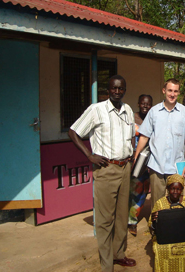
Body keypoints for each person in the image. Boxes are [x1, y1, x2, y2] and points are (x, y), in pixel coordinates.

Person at [68, 75, 136, 272]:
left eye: (121, 88)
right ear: (108, 90)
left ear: (124, 89)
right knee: (105, 220)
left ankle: (118, 254)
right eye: (114, 88)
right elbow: (73, 132)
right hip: (106, 170)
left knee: (122, 216)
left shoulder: (128, 110)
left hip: (125, 168)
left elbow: (131, 136)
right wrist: (89, 155)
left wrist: (129, 155)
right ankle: (107, 265)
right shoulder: (96, 110)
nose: (117, 91)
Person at [134, 78, 185, 209]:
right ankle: (156, 228)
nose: (172, 94)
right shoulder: (154, 112)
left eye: (175, 91)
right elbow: (144, 136)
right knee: (157, 204)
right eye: (169, 90)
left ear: (178, 93)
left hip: (177, 167)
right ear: (164, 91)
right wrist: (136, 157)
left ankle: (174, 229)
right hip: (156, 165)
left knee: (177, 203)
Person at [149, 174, 185, 272]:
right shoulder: (160, 203)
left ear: (182, 189)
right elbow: (151, 226)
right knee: (161, 248)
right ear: (167, 189)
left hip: (184, 236)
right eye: (172, 188)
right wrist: (153, 220)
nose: (175, 192)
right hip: (165, 238)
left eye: (178, 189)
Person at [128, 94, 153, 236]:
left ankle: (133, 217)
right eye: (143, 103)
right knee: (132, 190)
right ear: (138, 103)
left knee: (143, 191)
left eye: (148, 104)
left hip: (148, 161)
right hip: (134, 159)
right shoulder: (131, 118)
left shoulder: (152, 119)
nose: (145, 106)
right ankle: (131, 221)